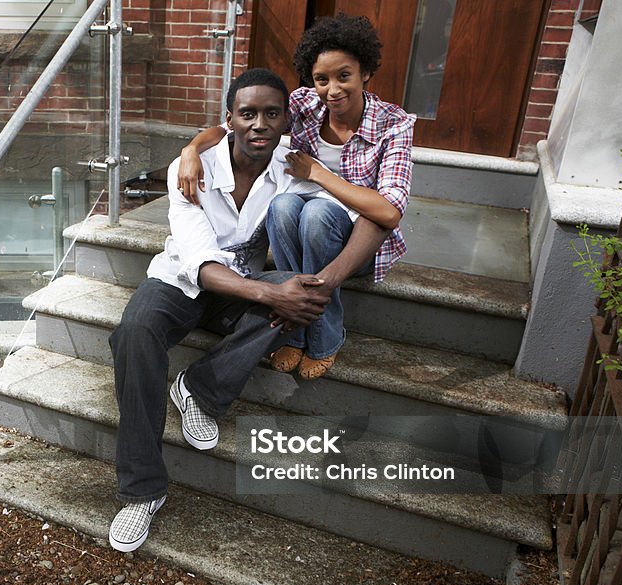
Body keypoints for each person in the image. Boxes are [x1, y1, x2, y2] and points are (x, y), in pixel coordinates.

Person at [108, 68, 331, 553]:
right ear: (229, 119)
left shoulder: (294, 171)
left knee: (296, 296)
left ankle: (198, 388)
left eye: (272, 114)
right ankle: (142, 492)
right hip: (182, 278)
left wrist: (293, 290)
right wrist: (192, 147)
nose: (259, 124)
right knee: (133, 334)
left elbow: (351, 215)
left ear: (286, 120)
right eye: (247, 113)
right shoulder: (192, 168)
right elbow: (202, 264)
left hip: (243, 286)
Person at [177, 14, 415, 381]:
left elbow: (388, 211)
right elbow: (235, 126)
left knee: (317, 212)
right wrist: (192, 149)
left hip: (361, 239)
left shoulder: (393, 124)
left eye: (343, 76)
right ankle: (294, 326)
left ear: (365, 72)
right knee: (284, 205)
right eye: (322, 79)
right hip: (303, 228)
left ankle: (324, 335)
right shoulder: (306, 104)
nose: (332, 90)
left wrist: (319, 173)